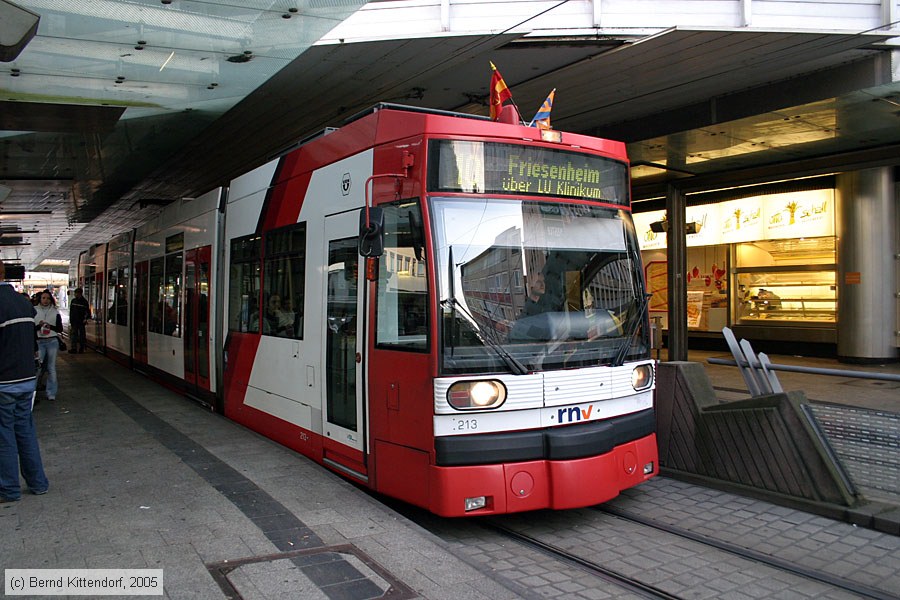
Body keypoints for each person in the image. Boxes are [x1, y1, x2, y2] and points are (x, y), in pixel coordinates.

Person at [0, 261, 50, 503]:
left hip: (4, 381)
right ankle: (38, 483)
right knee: (26, 431)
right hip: (27, 380)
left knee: (4, 435)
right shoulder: (22, 302)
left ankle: (8, 489)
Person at [34, 289, 63, 401]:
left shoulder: (55, 312)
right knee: (38, 367)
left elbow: (59, 328)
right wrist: (39, 326)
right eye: (43, 298)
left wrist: (50, 326)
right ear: (40, 299)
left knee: (51, 367)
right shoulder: (34, 310)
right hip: (39, 341)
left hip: (52, 341)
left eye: (48, 298)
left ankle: (51, 393)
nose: (45, 300)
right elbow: (31, 327)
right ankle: (33, 392)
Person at [69, 287, 90, 353]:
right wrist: (71, 320)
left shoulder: (84, 302)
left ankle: (81, 348)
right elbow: (71, 311)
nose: (75, 295)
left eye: (76, 293)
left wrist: (85, 319)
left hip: (81, 321)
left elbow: (87, 312)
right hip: (74, 321)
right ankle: (74, 348)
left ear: (79, 293)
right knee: (74, 335)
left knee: (81, 335)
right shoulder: (73, 301)